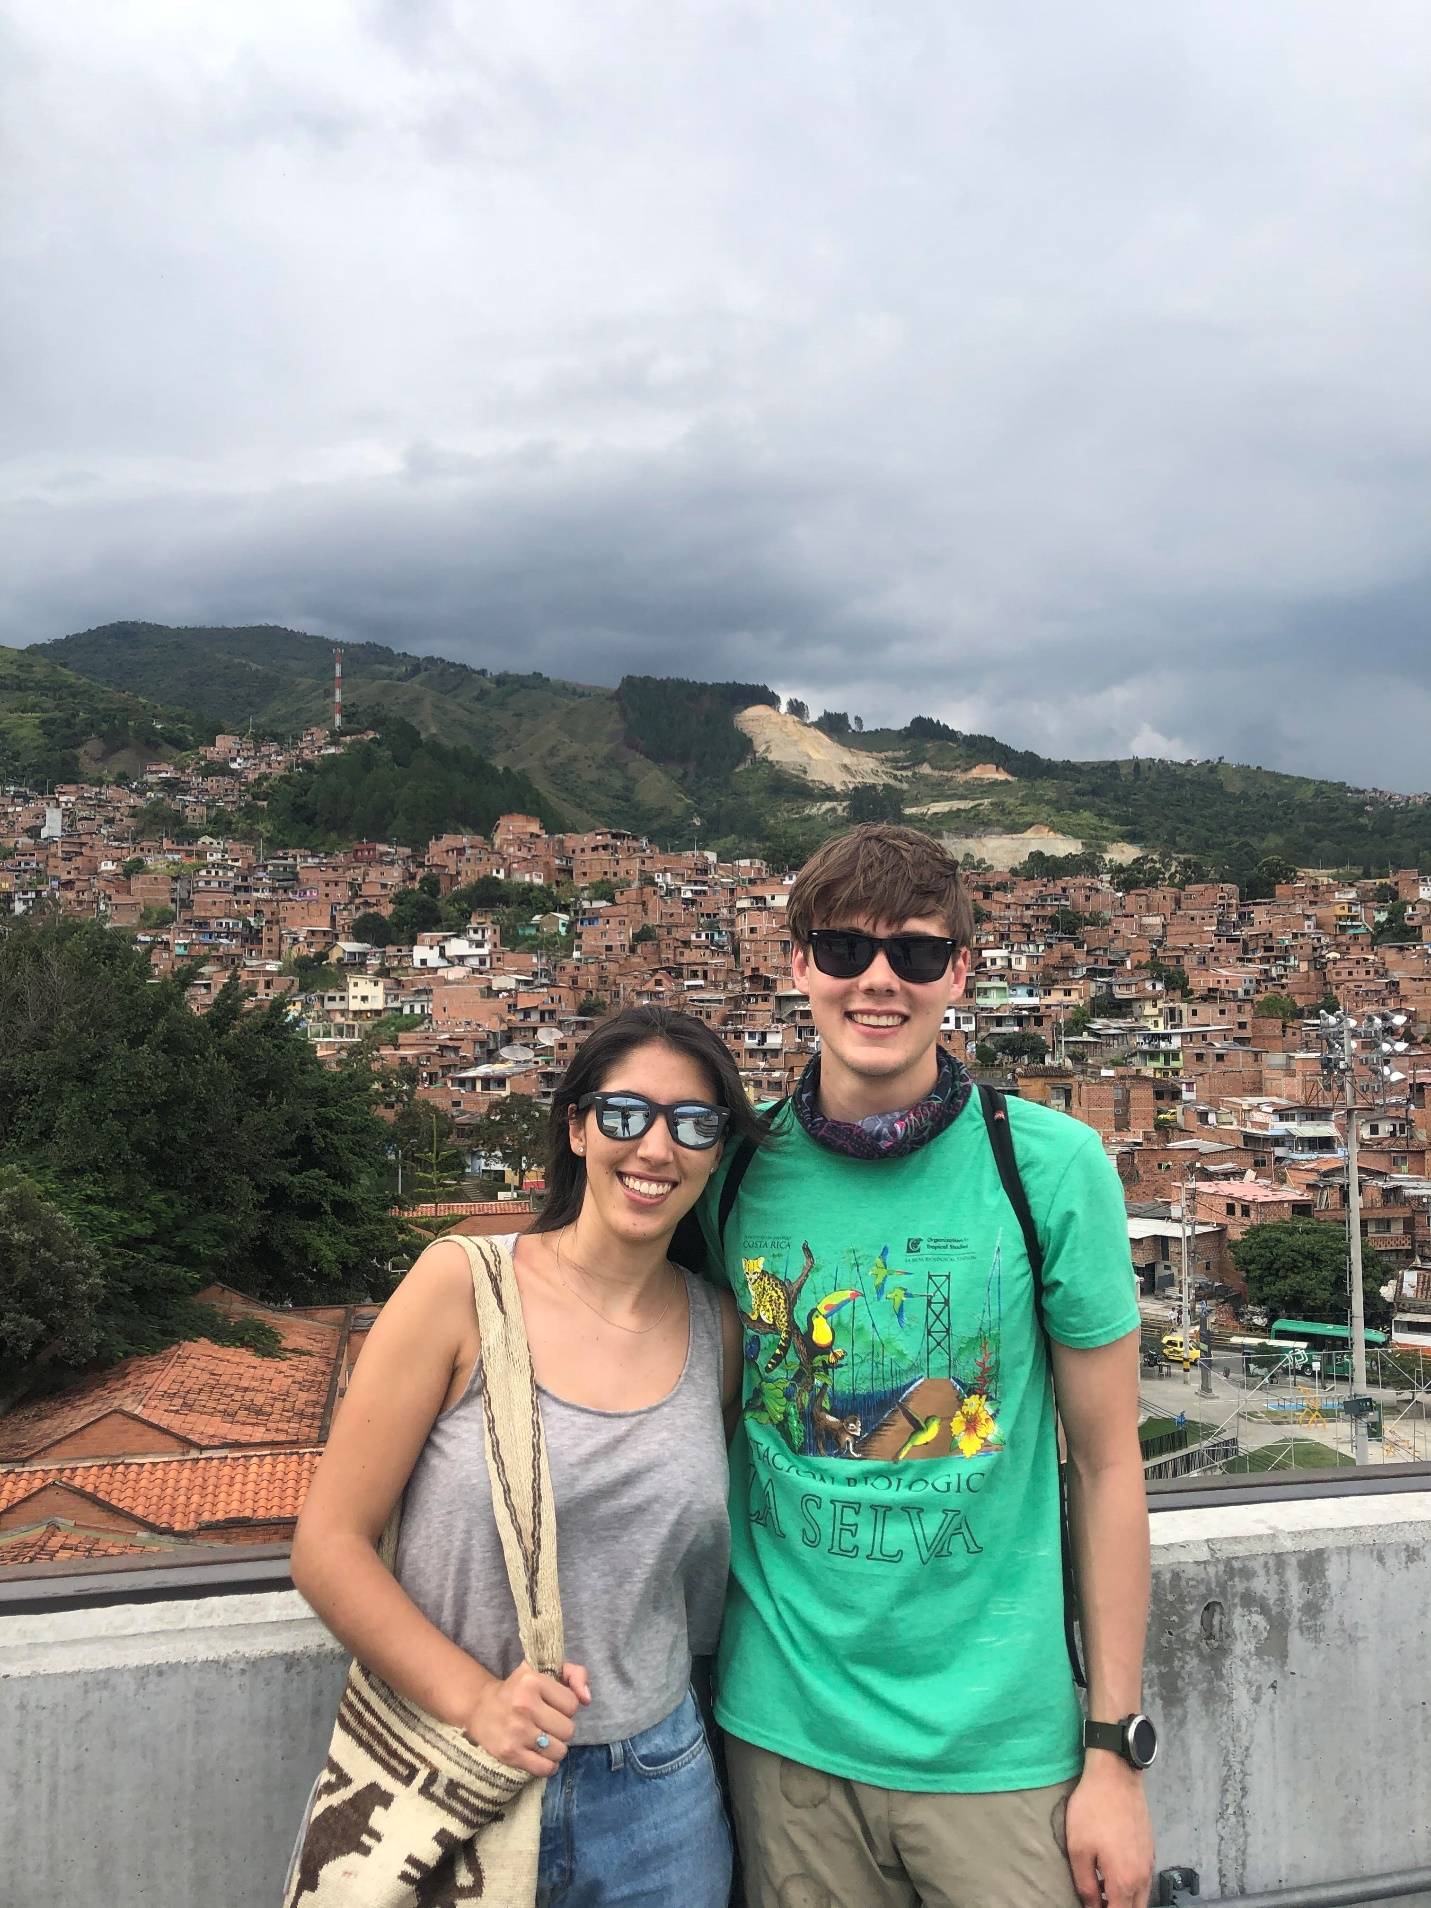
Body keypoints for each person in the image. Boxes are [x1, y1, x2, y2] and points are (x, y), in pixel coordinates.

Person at [695, 825, 1156, 1908]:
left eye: (912, 953)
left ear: (959, 971)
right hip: (786, 1742)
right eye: (844, 950)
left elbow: (1108, 1464)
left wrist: (1114, 1753)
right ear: (797, 964)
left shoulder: (1047, 1168)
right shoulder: (732, 1174)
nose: (877, 981)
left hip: (998, 1754)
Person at [290, 1004, 762, 1908]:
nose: (655, 1149)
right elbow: (328, 1544)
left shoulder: (719, 1335)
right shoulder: (461, 1286)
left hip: (661, 1795)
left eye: (692, 1123)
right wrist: (475, 1700)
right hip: (461, 1773)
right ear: (578, 1127)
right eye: (625, 1115)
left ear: (715, 1152)